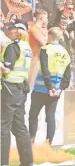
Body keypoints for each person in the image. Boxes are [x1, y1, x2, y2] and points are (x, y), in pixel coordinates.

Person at [29, 27, 71, 144]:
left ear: (50, 36)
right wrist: (60, 88)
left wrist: (49, 87)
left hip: (41, 89)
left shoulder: (45, 49)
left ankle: (31, 142)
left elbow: (44, 69)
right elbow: (67, 76)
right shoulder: (65, 53)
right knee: (50, 116)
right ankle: (48, 144)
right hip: (56, 91)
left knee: (33, 115)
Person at [1, 21, 34, 166]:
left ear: (18, 31)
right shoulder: (26, 47)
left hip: (9, 89)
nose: (8, 30)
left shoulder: (13, 47)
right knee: (19, 127)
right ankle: (27, 162)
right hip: (20, 89)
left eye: (11, 28)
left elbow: (7, 69)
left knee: (3, 128)